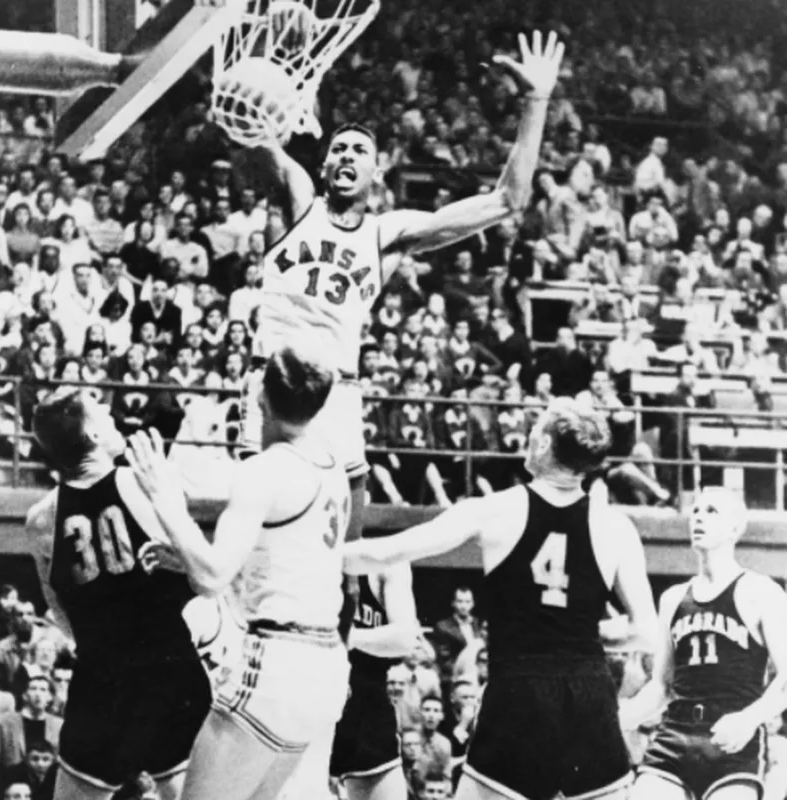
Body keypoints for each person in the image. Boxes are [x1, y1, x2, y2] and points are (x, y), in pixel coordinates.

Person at [237, 30, 565, 635]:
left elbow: (506, 201)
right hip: (273, 383)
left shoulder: (388, 234)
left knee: (345, 506)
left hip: (336, 387)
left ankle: (350, 595)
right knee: (266, 518)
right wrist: (259, 92)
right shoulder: (298, 198)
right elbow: (263, 147)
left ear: (377, 169)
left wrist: (535, 103)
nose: (345, 157)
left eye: (359, 150)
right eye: (337, 148)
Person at [343, 398, 659, 800]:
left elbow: (388, 551)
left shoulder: (496, 510)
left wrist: (308, 551)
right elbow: (645, 631)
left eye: (535, 426)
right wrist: (584, 635)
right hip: (589, 693)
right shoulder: (616, 526)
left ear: (544, 443)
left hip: (519, 693)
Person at [125, 345, 352, 800]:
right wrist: (188, 553)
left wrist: (165, 499)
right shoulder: (333, 465)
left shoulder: (263, 470)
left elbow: (210, 579)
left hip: (277, 663)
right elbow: (285, 553)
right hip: (326, 667)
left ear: (259, 399)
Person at [24, 390, 211, 800]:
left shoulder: (39, 521)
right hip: (171, 669)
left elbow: (62, 615)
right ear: (91, 432)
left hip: (103, 681)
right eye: (99, 407)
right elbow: (207, 577)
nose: (111, 409)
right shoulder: (145, 484)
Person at [622, 488, 787, 800]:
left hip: (732, 738)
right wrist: (617, 719)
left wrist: (750, 719)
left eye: (712, 511)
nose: (698, 517)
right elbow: (661, 686)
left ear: (736, 527)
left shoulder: (761, 591)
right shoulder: (673, 598)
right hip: (676, 735)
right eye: (695, 510)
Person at [330, 558, 421, 800]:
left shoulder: (386, 560)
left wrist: (347, 637)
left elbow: (405, 638)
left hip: (365, 702)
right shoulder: (305, 547)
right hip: (312, 696)